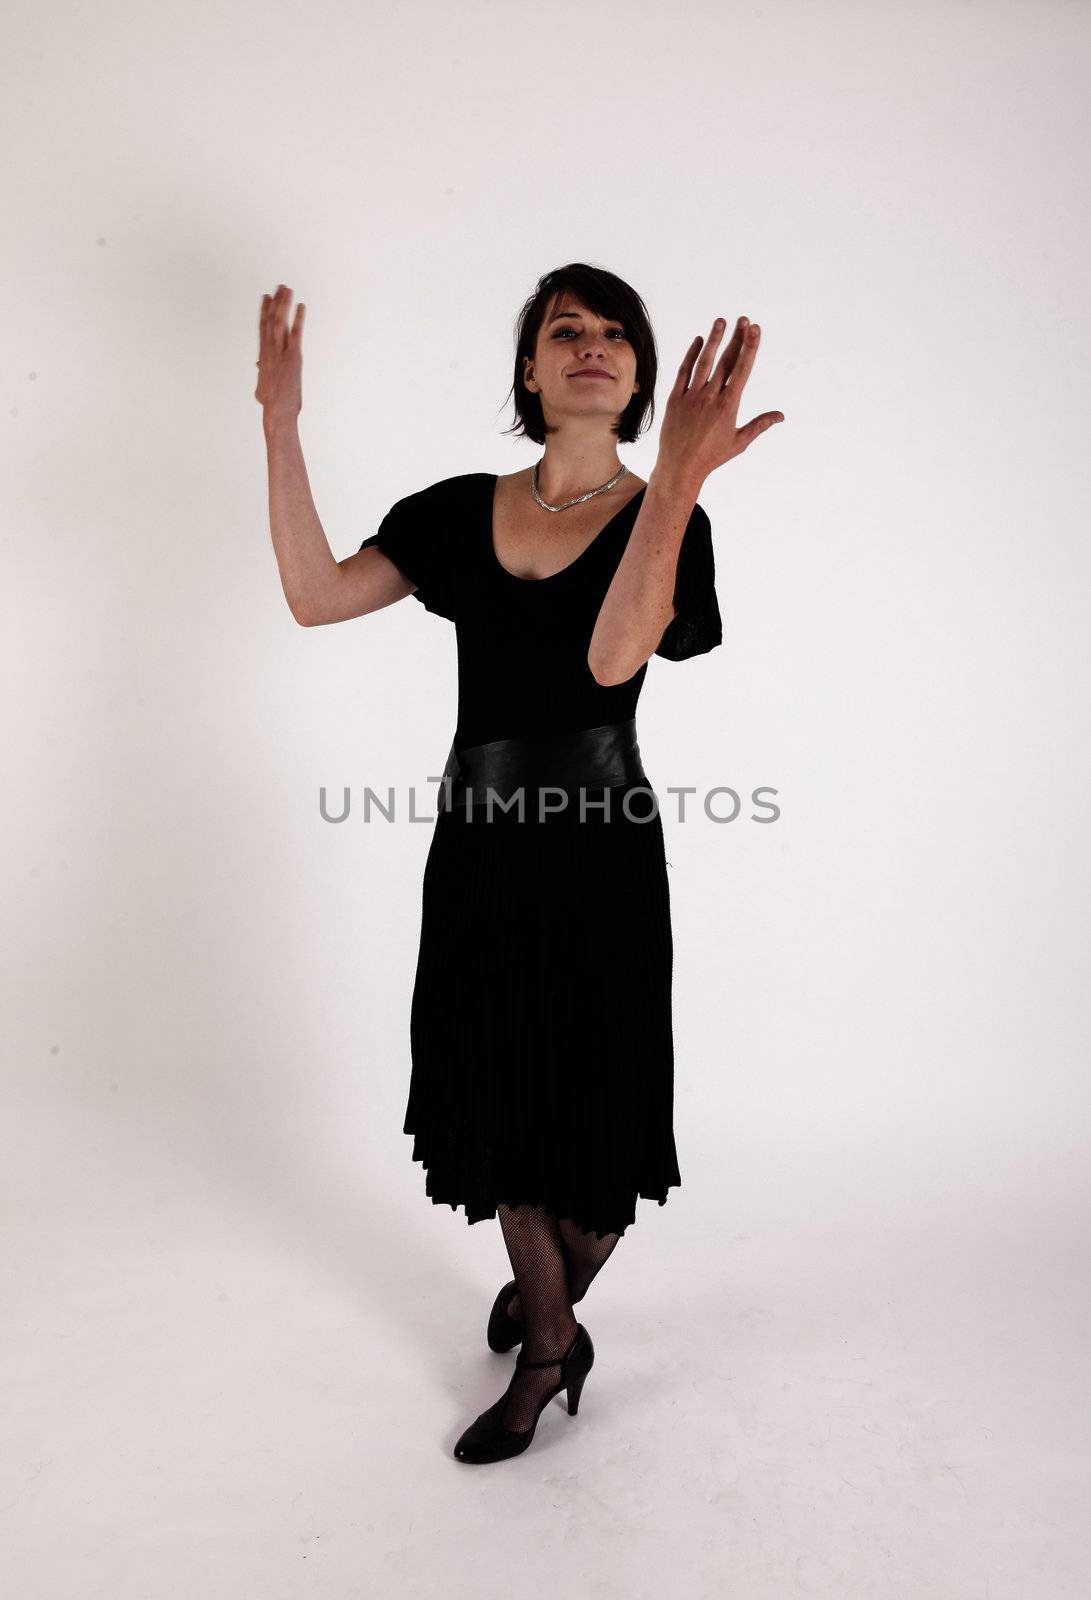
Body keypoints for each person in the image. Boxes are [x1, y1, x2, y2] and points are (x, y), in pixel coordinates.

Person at [256, 263, 784, 1463]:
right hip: (479, 846)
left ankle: (567, 1275)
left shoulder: (672, 520)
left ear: (639, 376)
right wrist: (281, 425)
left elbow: (608, 661)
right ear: (531, 370)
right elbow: (313, 593)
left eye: (612, 333)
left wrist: (681, 480)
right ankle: (548, 1349)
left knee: (587, 1136)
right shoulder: (454, 510)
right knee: (496, 1090)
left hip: (600, 846)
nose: (589, 345)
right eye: (564, 331)